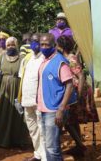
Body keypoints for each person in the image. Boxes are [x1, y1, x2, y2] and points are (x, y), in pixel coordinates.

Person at [56, 36, 99, 157]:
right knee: (72, 120)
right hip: (74, 92)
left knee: (68, 121)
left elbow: (80, 76)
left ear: (61, 46)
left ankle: (80, 145)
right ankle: (79, 147)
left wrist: (79, 96)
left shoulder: (71, 59)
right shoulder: (66, 57)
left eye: (57, 45)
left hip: (77, 91)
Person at [37, 33, 75, 161]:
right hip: (45, 108)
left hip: (54, 109)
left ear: (54, 45)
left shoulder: (60, 62)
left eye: (47, 44)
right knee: (49, 145)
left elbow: (69, 84)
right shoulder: (45, 60)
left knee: (52, 147)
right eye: (42, 44)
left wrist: (61, 108)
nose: (44, 47)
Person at [0, 36, 29, 148]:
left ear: (16, 45)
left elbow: (25, 75)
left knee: (18, 113)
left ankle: (19, 140)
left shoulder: (22, 58)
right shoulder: (1, 57)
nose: (10, 47)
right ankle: (1, 140)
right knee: (3, 112)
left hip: (17, 87)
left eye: (12, 44)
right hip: (4, 89)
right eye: (8, 45)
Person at [17, 33, 46, 161]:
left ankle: (45, 157)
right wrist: (19, 98)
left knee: (42, 129)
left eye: (37, 41)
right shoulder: (26, 58)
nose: (34, 44)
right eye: (32, 41)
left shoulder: (45, 58)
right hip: (26, 99)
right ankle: (37, 154)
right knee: (33, 129)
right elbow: (21, 78)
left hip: (39, 100)